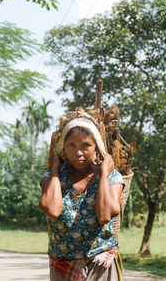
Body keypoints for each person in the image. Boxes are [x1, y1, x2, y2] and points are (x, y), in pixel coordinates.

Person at [39, 115, 124, 281]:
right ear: (63, 146)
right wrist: (55, 170)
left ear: (96, 147)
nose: (78, 152)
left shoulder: (112, 177)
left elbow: (105, 215)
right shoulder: (51, 176)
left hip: (100, 263)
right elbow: (53, 209)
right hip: (63, 265)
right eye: (72, 145)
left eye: (86, 145)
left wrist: (104, 175)